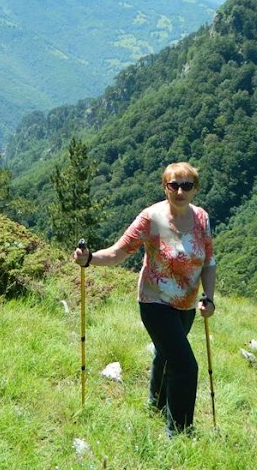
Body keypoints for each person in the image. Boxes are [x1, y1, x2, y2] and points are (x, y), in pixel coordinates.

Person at [72, 161, 216, 436]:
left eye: (186, 185)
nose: (179, 191)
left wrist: (209, 297)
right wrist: (89, 259)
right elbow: (118, 252)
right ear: (165, 187)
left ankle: (156, 405)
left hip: (186, 304)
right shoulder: (150, 218)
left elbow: (208, 261)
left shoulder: (202, 219)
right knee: (185, 365)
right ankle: (180, 432)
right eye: (173, 185)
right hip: (154, 302)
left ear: (195, 188)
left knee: (166, 354)